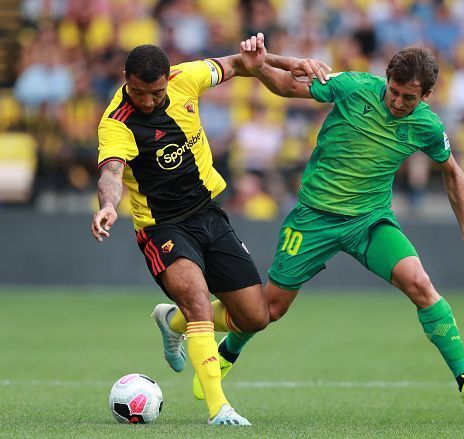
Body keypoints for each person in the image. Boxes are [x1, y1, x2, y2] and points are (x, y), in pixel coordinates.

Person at [191, 33, 464, 409]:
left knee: (420, 285)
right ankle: (216, 345)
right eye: (394, 92)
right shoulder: (354, 86)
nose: (399, 102)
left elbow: (452, 173)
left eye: (410, 98)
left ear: (426, 97)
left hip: (370, 221)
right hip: (314, 218)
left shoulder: (427, 127)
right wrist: (259, 70)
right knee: (267, 311)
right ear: (386, 80)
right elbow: (289, 87)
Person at [90, 43, 330, 425]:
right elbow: (112, 173)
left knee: (256, 316)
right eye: (139, 93)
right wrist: (107, 205)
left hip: (209, 215)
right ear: (125, 81)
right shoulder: (116, 122)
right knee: (198, 300)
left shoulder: (188, 78)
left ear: (169, 79)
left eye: (156, 92)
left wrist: (291, 62)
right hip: (162, 227)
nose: (149, 102)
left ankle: (173, 323)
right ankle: (220, 408)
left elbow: (241, 62)